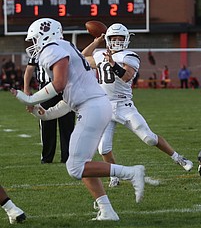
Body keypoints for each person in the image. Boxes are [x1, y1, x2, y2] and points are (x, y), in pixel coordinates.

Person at [10, 18, 145, 221]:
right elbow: (69, 99)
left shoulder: (53, 48)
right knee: (82, 164)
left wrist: (29, 97)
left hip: (92, 107)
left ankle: (131, 173)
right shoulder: (66, 46)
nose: (33, 44)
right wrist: (45, 114)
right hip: (94, 105)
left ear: (45, 35)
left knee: (75, 167)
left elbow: (59, 83)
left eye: (35, 39)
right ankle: (107, 210)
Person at [82, 23, 193, 187]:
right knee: (103, 148)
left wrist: (112, 63)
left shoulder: (130, 56)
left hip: (123, 105)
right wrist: (97, 41)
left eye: (121, 38)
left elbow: (126, 76)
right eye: (114, 38)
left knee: (148, 138)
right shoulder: (100, 54)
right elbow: (82, 57)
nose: (117, 41)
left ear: (126, 40)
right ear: (108, 39)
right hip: (104, 106)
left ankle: (179, 158)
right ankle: (114, 176)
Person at [24, 60, 75, 164]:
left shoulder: (64, 49)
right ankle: (47, 157)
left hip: (65, 88)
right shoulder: (38, 51)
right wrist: (26, 88)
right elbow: (29, 69)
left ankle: (68, 156)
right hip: (46, 88)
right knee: (46, 123)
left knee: (67, 124)